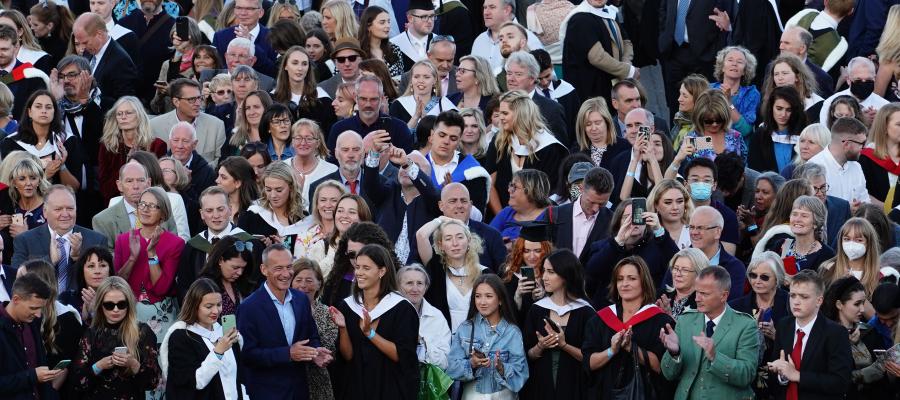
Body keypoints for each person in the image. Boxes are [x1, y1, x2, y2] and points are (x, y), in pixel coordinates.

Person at [238, 243, 332, 399]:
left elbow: (311, 336)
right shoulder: (249, 307)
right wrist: (287, 353)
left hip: (299, 391)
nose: (286, 273)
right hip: (266, 393)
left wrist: (315, 352)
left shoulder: (301, 299)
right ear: (264, 270)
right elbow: (247, 354)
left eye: (289, 267)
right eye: (278, 268)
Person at [328, 243, 420, 399]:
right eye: (357, 267)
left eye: (366, 268)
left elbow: (402, 355)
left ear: (382, 271)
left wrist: (370, 333)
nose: (359, 273)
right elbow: (348, 356)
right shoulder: (349, 306)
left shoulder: (401, 309)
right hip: (355, 389)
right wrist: (343, 328)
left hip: (390, 389)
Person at [583, 256, 674, 399]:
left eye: (632, 278)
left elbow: (662, 367)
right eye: (620, 279)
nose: (624, 284)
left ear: (644, 282)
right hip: (604, 393)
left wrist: (632, 347)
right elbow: (589, 363)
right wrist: (612, 350)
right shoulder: (600, 319)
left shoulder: (660, 320)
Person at [659, 266, 758, 398]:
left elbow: (747, 375)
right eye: (697, 292)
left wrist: (716, 357)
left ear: (724, 295)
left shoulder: (745, 325)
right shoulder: (685, 321)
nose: (697, 299)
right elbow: (669, 375)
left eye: (704, 294)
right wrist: (674, 353)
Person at [766, 270, 853, 400]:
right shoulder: (784, 325)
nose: (796, 302)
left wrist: (797, 375)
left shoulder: (836, 333)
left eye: (804, 297)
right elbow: (775, 374)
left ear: (819, 300)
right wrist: (782, 375)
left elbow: (840, 382)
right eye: (793, 295)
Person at [113, 186, 185, 343]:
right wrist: (133, 257)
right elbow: (117, 283)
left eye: (152, 206)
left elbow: (161, 288)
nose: (145, 209)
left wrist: (151, 253)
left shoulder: (175, 243)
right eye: (142, 204)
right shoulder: (123, 240)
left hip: (160, 314)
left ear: (163, 213)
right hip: (128, 311)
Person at [518, 249, 591, 399]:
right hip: (540, 388)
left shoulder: (586, 312)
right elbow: (527, 356)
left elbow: (592, 359)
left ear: (566, 274)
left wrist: (564, 345)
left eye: (551, 272)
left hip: (576, 388)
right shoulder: (537, 309)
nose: (544, 277)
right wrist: (541, 346)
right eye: (544, 271)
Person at [72, 276, 161, 399]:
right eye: (109, 305)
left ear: (129, 305)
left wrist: (134, 364)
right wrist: (98, 366)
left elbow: (153, 382)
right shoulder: (91, 333)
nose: (115, 310)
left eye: (121, 304)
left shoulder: (142, 332)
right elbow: (77, 383)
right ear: (101, 306)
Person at [11, 184, 108, 295]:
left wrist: (78, 258)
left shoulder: (97, 240)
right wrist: (50, 260)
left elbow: (103, 282)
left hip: (81, 306)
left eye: (70, 208)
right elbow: (16, 278)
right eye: (58, 209)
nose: (65, 214)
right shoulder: (25, 240)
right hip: (41, 306)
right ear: (45, 212)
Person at [584, 197, 678, 307]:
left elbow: (677, 262)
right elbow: (591, 271)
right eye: (626, 218)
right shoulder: (603, 246)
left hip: (646, 310)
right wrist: (618, 242)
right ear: (618, 222)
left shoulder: (658, 246)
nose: (633, 221)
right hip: (609, 311)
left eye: (637, 216)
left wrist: (659, 230)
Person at [485, 91, 567, 215]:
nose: (500, 118)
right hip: (501, 216)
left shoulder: (549, 147)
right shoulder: (499, 140)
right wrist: (503, 217)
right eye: (500, 113)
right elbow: (490, 184)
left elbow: (548, 193)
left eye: (505, 113)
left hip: (536, 219)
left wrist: (526, 220)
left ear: (520, 114)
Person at [446, 273, 528, 397]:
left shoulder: (512, 332)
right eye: (478, 296)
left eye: (489, 296)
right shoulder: (465, 328)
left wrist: (501, 368)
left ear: (500, 300)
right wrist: (472, 364)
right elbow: (451, 369)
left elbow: (521, 375)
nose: (482, 302)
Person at [161, 278, 242, 400]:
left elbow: (236, 376)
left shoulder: (223, 331)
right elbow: (195, 382)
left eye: (219, 305)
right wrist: (218, 353)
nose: (216, 311)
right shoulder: (180, 336)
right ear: (194, 306)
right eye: (209, 306)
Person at [728, 251, 789, 397]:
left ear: (777, 278)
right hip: (745, 378)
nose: (757, 281)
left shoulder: (791, 305)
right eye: (753, 275)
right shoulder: (735, 307)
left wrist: (776, 335)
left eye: (764, 277)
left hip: (779, 379)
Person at [0, 90, 83, 191]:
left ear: (54, 112)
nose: (44, 111)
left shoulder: (67, 141)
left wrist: (61, 166)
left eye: (48, 107)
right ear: (29, 112)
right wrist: (45, 176)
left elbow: (74, 188)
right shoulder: (11, 143)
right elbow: (9, 187)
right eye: (38, 106)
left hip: (58, 203)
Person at [822, 276, 890, 398]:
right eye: (857, 304)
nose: (863, 309)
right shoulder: (823, 334)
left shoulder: (870, 332)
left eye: (863, 303)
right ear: (839, 304)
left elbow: (884, 380)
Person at [0, 273, 64, 400]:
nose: (38, 315)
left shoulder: (32, 322)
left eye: (41, 308)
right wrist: (32, 376)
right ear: (16, 299)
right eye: (33, 308)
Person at [418, 217, 489, 331]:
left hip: (477, 340)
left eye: (460, 237)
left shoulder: (484, 273)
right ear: (440, 245)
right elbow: (421, 235)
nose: (455, 243)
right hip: (442, 339)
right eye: (448, 238)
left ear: (469, 240)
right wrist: (441, 219)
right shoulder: (436, 269)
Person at [559, 0, 635, 105]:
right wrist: (627, 71)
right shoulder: (580, 19)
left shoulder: (610, 12)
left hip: (613, 82)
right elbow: (597, 57)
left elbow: (626, 42)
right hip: (593, 91)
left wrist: (626, 63)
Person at [98, 97, 168, 202]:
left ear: (139, 116)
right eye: (119, 114)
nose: (123, 117)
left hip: (149, 202)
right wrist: (127, 166)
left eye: (128, 113)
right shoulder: (108, 146)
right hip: (116, 202)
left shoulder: (157, 145)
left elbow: (158, 184)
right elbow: (104, 189)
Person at [326, 76, 415, 156]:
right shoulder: (339, 129)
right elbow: (333, 167)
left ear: (381, 98)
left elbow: (407, 165)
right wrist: (363, 149)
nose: (368, 104)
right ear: (355, 97)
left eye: (373, 99)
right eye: (363, 99)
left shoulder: (399, 128)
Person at [544, 166, 614, 263]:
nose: (596, 208)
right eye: (591, 202)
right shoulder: (555, 215)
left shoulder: (613, 221)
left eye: (602, 204)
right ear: (581, 188)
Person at [291, 258, 338, 400]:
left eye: (309, 280)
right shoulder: (283, 310)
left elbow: (331, 349)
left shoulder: (328, 312)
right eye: (298, 280)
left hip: (318, 380)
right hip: (290, 379)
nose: (303, 285)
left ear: (319, 284)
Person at [71, 13, 138, 112]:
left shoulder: (121, 61)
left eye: (85, 42)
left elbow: (124, 103)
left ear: (99, 35)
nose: (82, 48)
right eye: (79, 43)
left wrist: (90, 97)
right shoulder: (88, 51)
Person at [437, 183, 508, 272]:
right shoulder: (430, 236)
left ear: (470, 205)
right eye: (453, 201)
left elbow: (504, 276)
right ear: (441, 206)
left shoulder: (491, 235)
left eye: (464, 201)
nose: (459, 205)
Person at [238, 162, 307, 254]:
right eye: (268, 190)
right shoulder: (251, 215)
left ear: (291, 187)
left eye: (279, 190)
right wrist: (262, 247)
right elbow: (239, 252)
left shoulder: (303, 218)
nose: (273, 195)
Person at [397, 264, 451, 369]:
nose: (415, 289)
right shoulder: (389, 311)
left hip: (425, 381)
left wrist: (421, 342)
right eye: (409, 283)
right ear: (398, 286)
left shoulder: (436, 317)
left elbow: (444, 362)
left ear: (426, 287)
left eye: (420, 283)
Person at [272, 46, 337, 134]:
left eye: (304, 64)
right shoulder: (273, 98)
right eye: (295, 63)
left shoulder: (322, 99)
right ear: (285, 66)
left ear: (309, 68)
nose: (300, 68)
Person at [807, 117, 870, 205]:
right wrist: (846, 210)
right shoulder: (813, 167)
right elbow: (811, 209)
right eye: (862, 143)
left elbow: (865, 201)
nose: (864, 148)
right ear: (847, 144)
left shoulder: (856, 167)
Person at [675, 90, 748, 164]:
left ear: (725, 117)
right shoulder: (693, 139)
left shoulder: (735, 137)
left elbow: (744, 166)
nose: (714, 124)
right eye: (708, 121)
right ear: (700, 118)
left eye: (719, 120)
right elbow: (683, 168)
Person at [819, 218, 882, 301]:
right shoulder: (828, 269)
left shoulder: (878, 277)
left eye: (859, 240)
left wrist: (854, 286)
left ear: (869, 244)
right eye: (847, 239)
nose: (851, 244)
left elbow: (876, 313)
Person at [0, 157, 50, 263]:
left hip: (41, 266)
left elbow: (55, 245)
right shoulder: (10, 205)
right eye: (22, 179)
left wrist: (25, 235)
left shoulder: (49, 207)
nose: (28, 183)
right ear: (14, 183)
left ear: (39, 180)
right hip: (11, 265)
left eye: (33, 178)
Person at [749, 86, 808, 174]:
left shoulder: (805, 134)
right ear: (771, 107)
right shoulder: (760, 135)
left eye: (789, 110)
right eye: (779, 109)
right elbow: (755, 169)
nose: (783, 114)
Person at [211, 0, 277, 77]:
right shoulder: (220, 36)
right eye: (239, 8)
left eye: (249, 9)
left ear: (261, 13)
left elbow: (274, 70)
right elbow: (216, 69)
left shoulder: (273, 36)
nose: (243, 13)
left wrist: (251, 43)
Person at [471, 0, 542, 72]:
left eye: (492, 7)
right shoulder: (479, 40)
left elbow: (543, 77)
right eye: (485, 7)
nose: (486, 12)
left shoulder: (528, 39)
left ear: (507, 10)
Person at [785, 0, 853, 73]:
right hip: (807, 81)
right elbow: (822, 74)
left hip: (778, 71)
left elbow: (783, 38)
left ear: (825, 1)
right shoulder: (840, 45)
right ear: (850, 11)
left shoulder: (805, 13)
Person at [197, 236, 257, 317]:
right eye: (235, 267)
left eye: (243, 268)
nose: (240, 273)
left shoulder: (242, 283)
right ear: (220, 260)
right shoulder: (205, 286)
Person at [818, 57, 889, 125]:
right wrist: (861, 120)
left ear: (874, 79)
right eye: (858, 80)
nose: (863, 83)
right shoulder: (830, 103)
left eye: (868, 80)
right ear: (848, 80)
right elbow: (826, 134)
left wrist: (880, 122)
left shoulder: (884, 106)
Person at [390, 60, 457, 129]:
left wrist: (426, 121)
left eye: (426, 77)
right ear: (411, 80)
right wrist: (415, 117)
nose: (421, 81)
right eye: (416, 77)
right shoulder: (398, 104)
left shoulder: (445, 105)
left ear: (434, 80)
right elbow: (396, 136)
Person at [490, 169, 551, 241]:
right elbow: (486, 239)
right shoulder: (507, 212)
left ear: (531, 191)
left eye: (514, 187)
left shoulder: (550, 216)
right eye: (510, 185)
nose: (509, 190)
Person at [761, 53, 824, 124]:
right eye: (776, 74)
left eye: (785, 73)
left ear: (797, 77)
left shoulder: (816, 104)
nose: (780, 78)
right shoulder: (770, 101)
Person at [573, 97, 630, 172]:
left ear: (607, 122)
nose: (593, 128)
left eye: (597, 123)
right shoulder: (576, 152)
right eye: (588, 124)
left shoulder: (625, 147)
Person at [860, 104, 900, 210]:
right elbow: (861, 191)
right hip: (879, 219)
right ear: (884, 127)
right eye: (899, 124)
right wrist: (888, 210)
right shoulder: (866, 158)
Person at [60, 246, 115, 321]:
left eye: (102, 265)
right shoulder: (67, 299)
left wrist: (94, 313)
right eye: (91, 266)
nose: (97, 271)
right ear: (82, 271)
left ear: (110, 271)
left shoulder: (119, 299)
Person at [658, 248, 709, 317]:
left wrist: (669, 317)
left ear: (699, 274)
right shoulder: (660, 296)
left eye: (685, 270)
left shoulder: (704, 303)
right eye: (675, 268)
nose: (678, 274)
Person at [647, 179, 694, 250]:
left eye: (680, 201)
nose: (675, 207)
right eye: (668, 202)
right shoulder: (646, 235)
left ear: (686, 203)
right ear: (656, 205)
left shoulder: (695, 231)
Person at [671, 75, 712, 149]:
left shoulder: (708, 126)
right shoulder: (680, 119)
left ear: (698, 100)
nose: (679, 99)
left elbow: (710, 144)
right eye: (680, 94)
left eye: (685, 96)